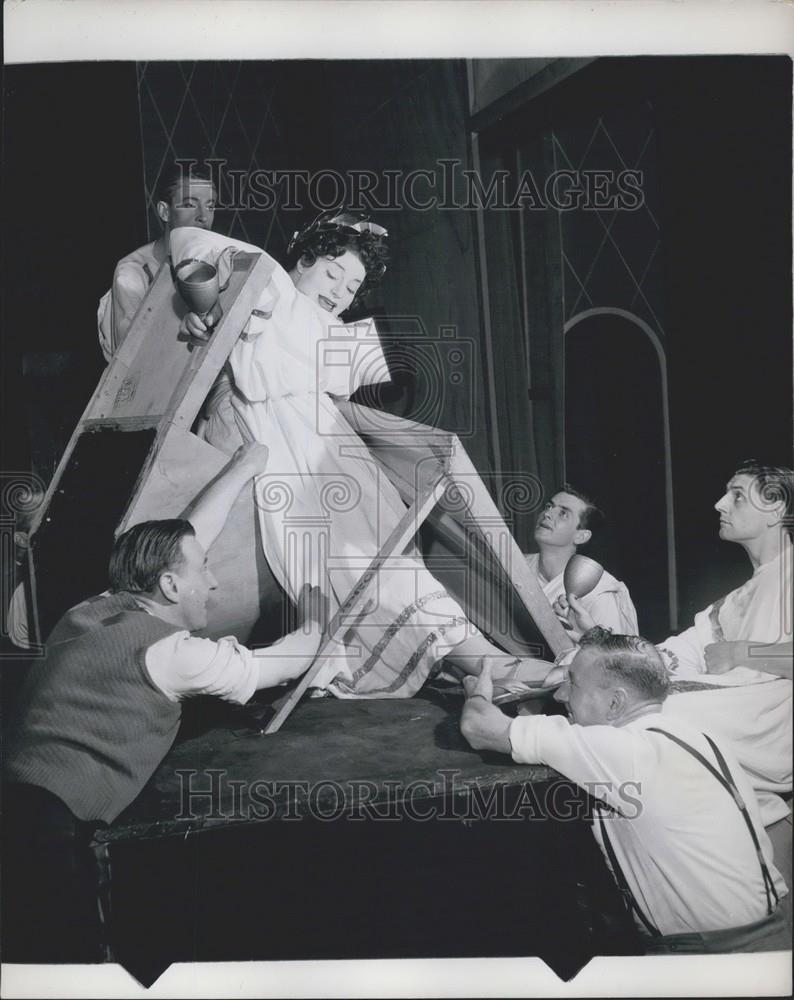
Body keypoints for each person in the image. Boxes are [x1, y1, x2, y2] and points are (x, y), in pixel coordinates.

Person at [169, 210, 556, 698]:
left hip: (321, 444)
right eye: (333, 272)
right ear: (303, 259)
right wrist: (221, 284)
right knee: (353, 558)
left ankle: (471, 660)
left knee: (385, 552)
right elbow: (184, 240)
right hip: (273, 439)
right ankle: (482, 661)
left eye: (352, 287)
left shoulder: (323, 329)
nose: (339, 292)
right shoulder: (272, 289)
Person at [2, 442, 324, 961]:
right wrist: (316, 615)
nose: (214, 583)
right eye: (205, 572)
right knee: (69, 970)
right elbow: (280, 663)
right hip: (53, 835)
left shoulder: (91, 608)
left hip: (11, 797)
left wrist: (243, 467)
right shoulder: (176, 654)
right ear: (172, 586)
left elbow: (186, 538)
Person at [460, 628, 789, 952]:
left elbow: (479, 727)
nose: (560, 696)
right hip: (772, 935)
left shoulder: (622, 751)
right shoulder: (693, 735)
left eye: (572, 683)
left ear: (616, 702)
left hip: (717, 955)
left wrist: (478, 691)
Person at [97, 161, 218, 362]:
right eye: (189, 204)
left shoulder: (215, 262)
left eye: (210, 206)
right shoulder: (133, 272)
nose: (203, 217)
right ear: (164, 211)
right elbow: (130, 357)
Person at [526, 486, 638, 641]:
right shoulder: (515, 567)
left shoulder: (601, 592)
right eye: (549, 506)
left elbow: (613, 661)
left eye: (563, 513)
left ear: (581, 536)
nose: (547, 514)